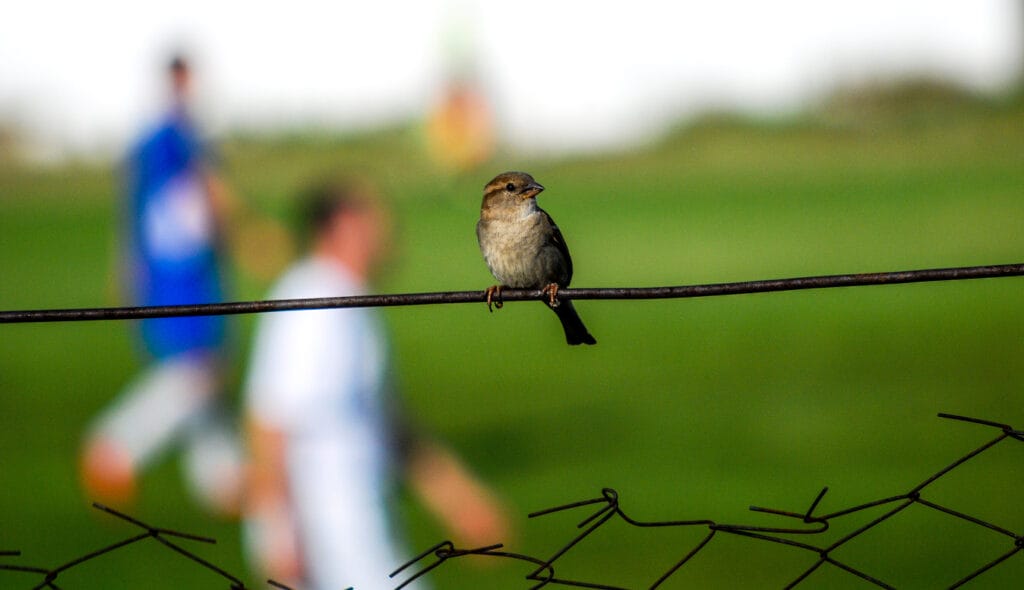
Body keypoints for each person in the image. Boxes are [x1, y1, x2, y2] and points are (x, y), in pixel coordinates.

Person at [243, 180, 509, 590]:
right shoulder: (313, 300)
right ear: (343, 226)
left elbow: (389, 422)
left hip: (359, 511)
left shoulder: (351, 300)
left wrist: (459, 500)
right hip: (325, 521)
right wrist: (277, 536)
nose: (389, 228)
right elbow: (268, 420)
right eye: (375, 216)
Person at [79, 54, 241, 515]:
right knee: (196, 370)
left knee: (208, 371)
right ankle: (115, 445)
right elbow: (196, 199)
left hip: (190, 267)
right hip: (179, 273)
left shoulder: (171, 139)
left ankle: (221, 477)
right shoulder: (172, 140)